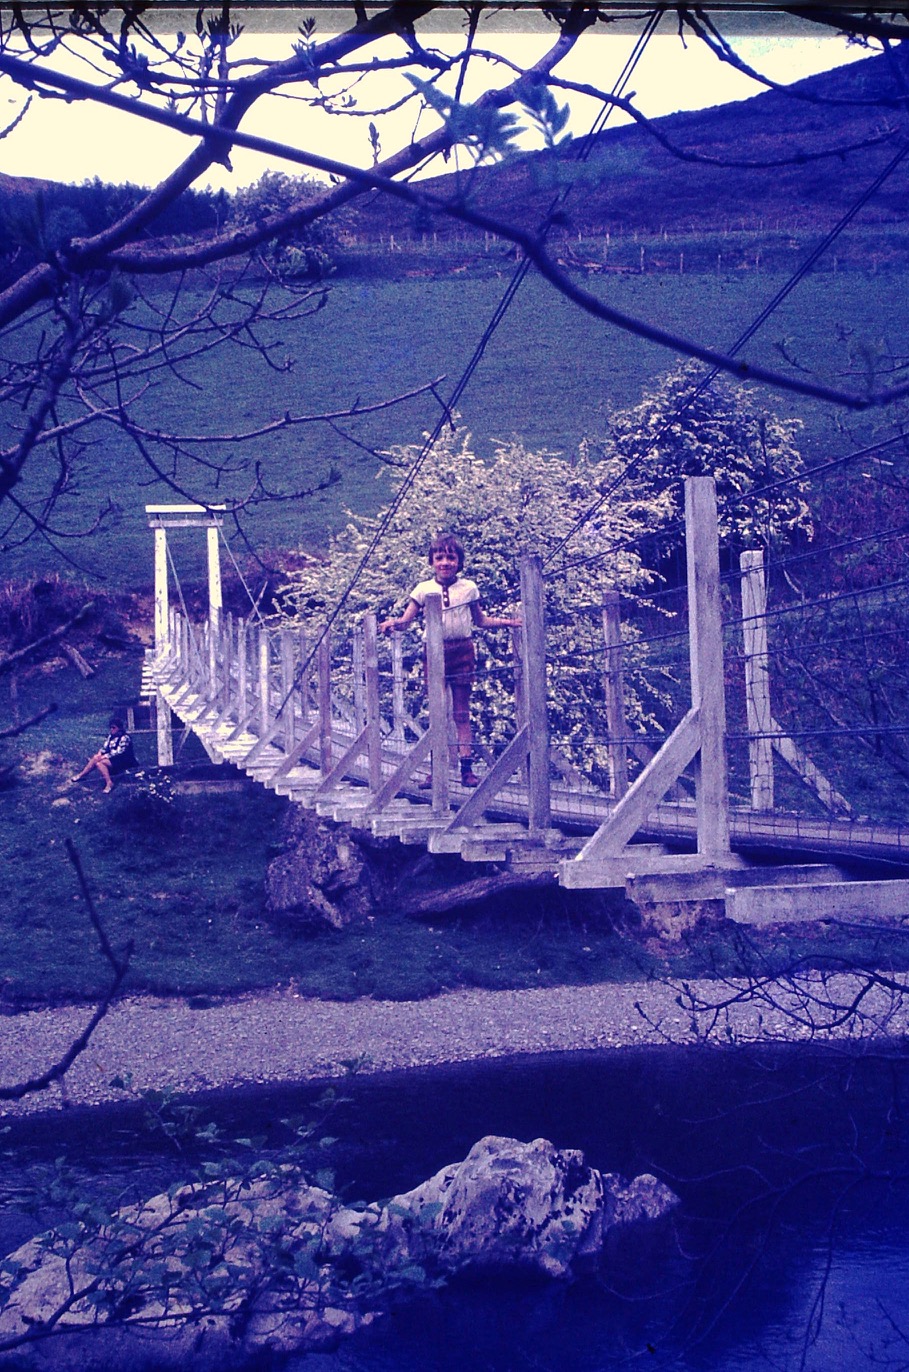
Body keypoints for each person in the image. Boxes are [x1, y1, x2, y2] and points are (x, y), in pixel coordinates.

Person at [379, 533, 521, 787]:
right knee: (437, 712)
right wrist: (393, 624)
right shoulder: (423, 589)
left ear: (459, 562)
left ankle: (467, 769)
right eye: (440, 558)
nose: (445, 563)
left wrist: (508, 622)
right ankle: (437, 769)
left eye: (451, 558)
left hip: (463, 650)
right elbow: (407, 620)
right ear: (432, 561)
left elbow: (480, 620)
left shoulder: (469, 588)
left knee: (461, 712)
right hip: (434, 652)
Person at [71, 717, 137, 794]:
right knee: (96, 758)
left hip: (124, 760)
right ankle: (82, 775)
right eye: (111, 727)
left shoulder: (125, 738)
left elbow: (119, 751)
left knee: (100, 763)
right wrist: (100, 754)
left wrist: (105, 756)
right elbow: (105, 747)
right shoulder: (111, 736)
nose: (112, 729)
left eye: (114, 728)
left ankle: (109, 783)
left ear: (119, 728)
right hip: (113, 758)